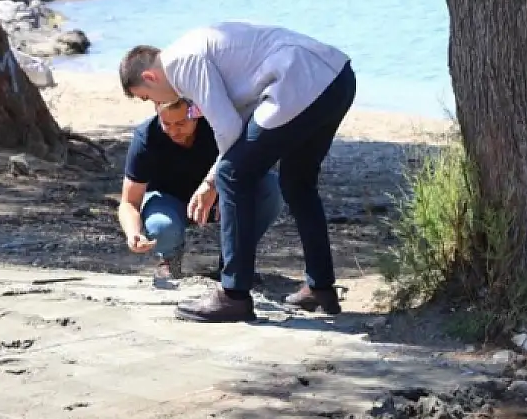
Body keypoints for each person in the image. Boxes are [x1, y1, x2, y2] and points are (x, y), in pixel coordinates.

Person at [117, 22, 356, 323]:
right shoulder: (192, 53)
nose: (154, 103)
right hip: (337, 78)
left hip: (302, 83)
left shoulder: (182, 63)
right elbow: (241, 121)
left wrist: (209, 183)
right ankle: (321, 286)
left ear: (150, 76)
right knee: (297, 182)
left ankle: (233, 295)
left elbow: (228, 129)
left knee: (232, 175)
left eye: (147, 96)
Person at [117, 98, 283, 282]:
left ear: (196, 114)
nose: (173, 131)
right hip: (169, 202)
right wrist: (133, 233)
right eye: (167, 124)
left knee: (270, 187)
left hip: (220, 198)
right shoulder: (146, 136)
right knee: (160, 226)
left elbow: (255, 163)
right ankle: (169, 261)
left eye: (180, 123)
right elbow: (129, 201)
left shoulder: (219, 128)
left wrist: (227, 189)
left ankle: (235, 260)